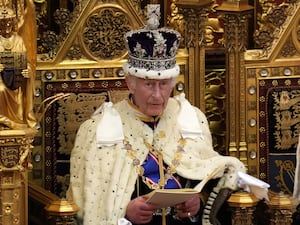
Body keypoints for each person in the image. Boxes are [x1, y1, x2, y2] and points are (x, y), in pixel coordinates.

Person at [67, 4, 250, 225]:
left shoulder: (190, 118)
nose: (157, 95)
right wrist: (123, 212)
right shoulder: (97, 129)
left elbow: (208, 178)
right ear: (130, 83)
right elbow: (85, 203)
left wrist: (197, 203)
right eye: (149, 84)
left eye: (164, 84)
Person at [0, 6, 36, 130]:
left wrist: (28, 71)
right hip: (0, 80)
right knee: (1, 90)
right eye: (3, 23)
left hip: (15, 81)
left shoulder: (18, 40)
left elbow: (25, 62)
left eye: (9, 22)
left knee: (17, 90)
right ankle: (4, 121)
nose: (6, 25)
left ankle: (16, 120)